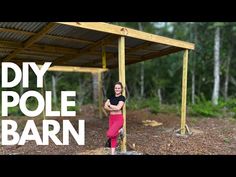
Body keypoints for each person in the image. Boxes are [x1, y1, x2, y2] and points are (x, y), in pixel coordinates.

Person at [104, 81, 126, 155]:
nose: (117, 89)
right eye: (116, 88)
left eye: (119, 88)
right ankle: (112, 153)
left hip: (118, 118)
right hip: (111, 118)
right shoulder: (111, 97)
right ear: (114, 89)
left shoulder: (122, 98)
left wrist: (110, 105)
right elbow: (105, 106)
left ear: (121, 89)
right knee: (113, 137)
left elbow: (118, 108)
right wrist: (112, 107)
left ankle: (120, 130)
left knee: (110, 134)